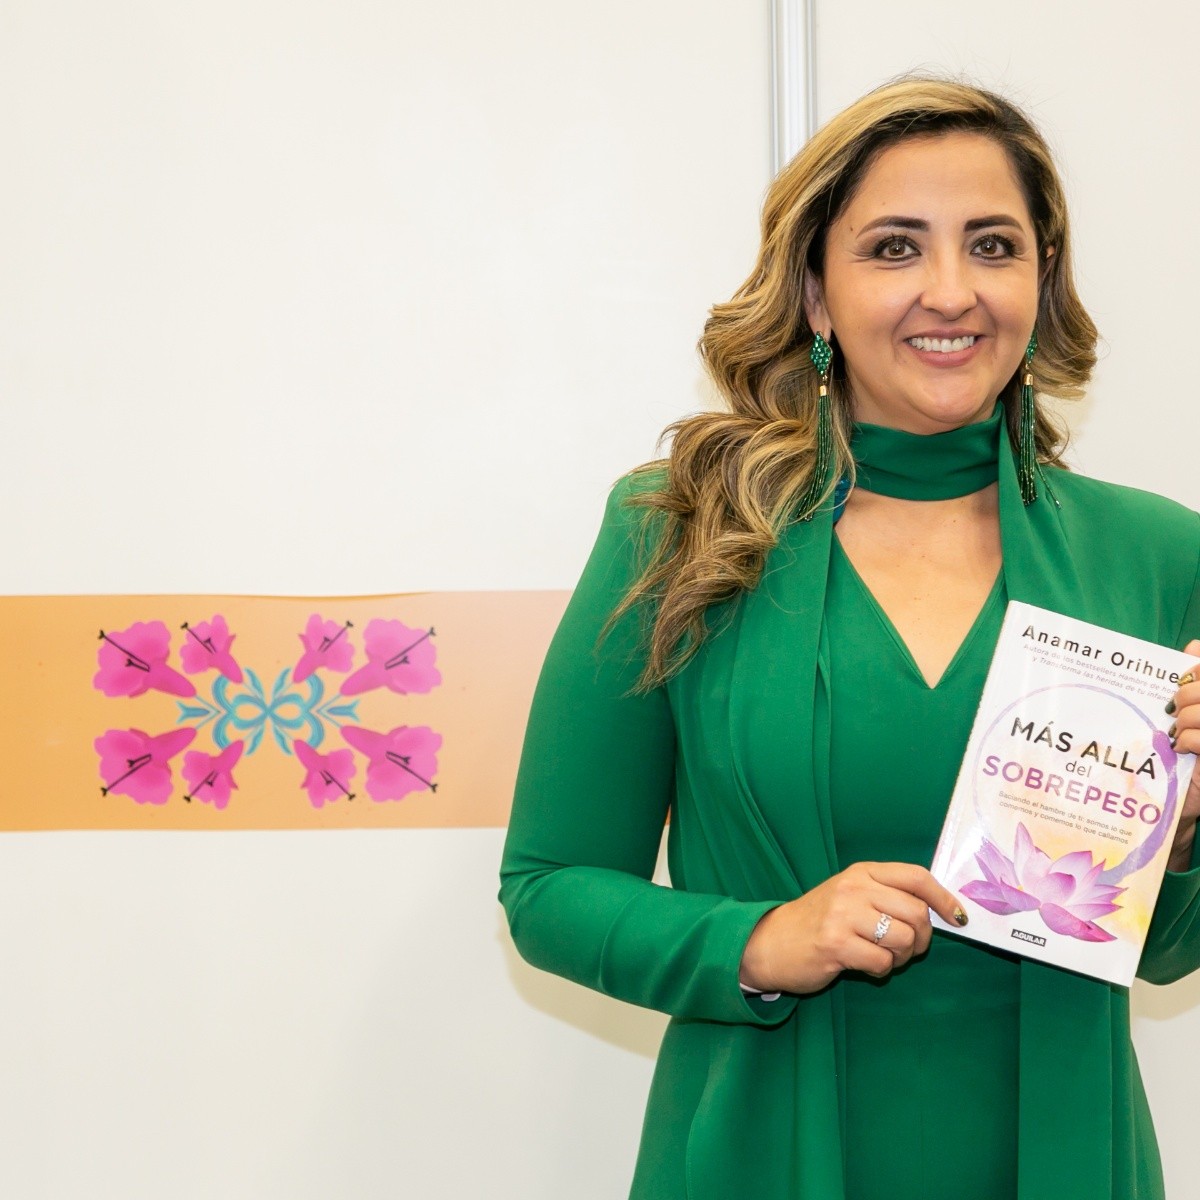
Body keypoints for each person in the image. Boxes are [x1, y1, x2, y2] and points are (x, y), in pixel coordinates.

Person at [498, 77, 1200, 1200]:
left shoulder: (1159, 555)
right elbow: (549, 887)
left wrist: (1189, 820)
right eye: (893, 248)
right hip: (757, 1158)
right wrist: (757, 942)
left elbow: (1167, 948)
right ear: (816, 293)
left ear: (1041, 280)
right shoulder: (680, 529)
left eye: (993, 245)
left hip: (1065, 1159)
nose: (951, 290)